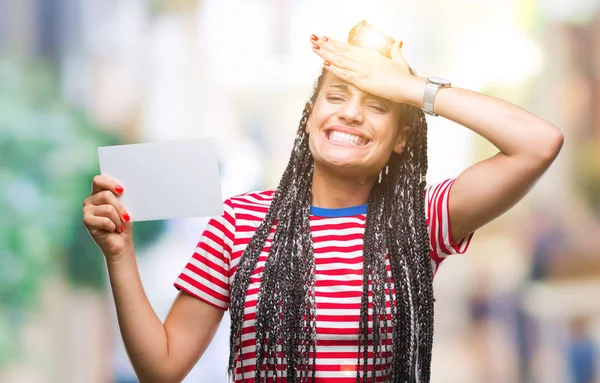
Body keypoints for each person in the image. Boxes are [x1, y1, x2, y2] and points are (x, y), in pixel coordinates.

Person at [83, 23, 564, 383]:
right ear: (311, 114)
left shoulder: (421, 219)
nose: (351, 113)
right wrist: (120, 255)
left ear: (400, 138)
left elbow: (538, 143)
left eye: (377, 105)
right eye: (336, 97)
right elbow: (161, 369)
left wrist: (409, 89)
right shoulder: (239, 220)